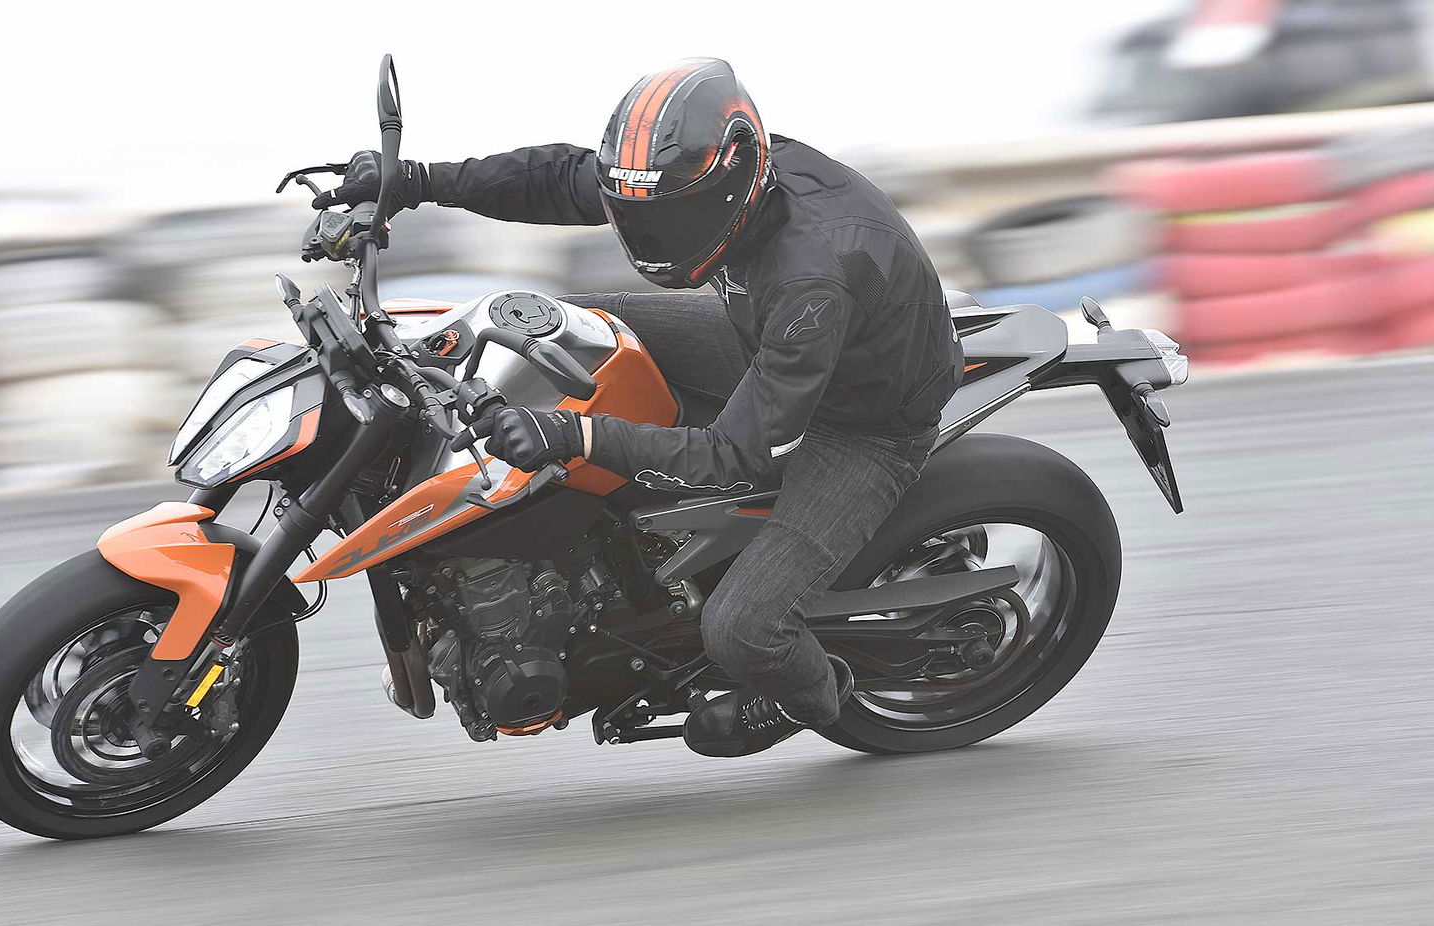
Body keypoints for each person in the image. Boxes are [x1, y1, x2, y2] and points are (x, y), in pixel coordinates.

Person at [314, 57, 964, 757]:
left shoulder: (814, 277)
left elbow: (735, 454)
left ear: (729, 191)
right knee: (555, 327)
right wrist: (417, 181)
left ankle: (815, 694)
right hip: (765, 333)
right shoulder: (697, 178)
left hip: (862, 425)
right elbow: (561, 179)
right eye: (640, 214)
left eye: (671, 219)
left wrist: (570, 435)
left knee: (742, 631)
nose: (655, 234)